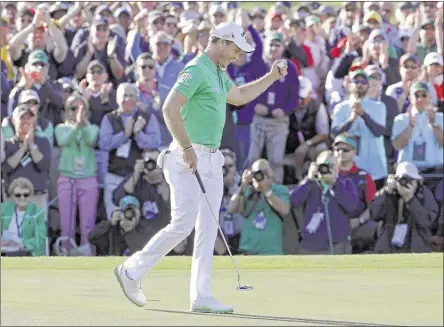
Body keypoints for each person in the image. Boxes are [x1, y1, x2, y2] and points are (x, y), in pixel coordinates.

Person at [114, 21, 288, 314]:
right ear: (220, 42)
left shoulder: (219, 73)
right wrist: (186, 148)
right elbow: (169, 109)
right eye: (234, 48)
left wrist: (271, 76)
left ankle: (201, 294)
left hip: (211, 158)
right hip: (186, 157)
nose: (237, 55)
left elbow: (241, 97)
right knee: (182, 225)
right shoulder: (196, 69)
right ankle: (131, 271)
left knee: (208, 227)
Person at [370, 161, 438, 253]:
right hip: (388, 248)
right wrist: (386, 192)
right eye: (403, 179)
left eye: (411, 179)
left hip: (416, 249)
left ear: (418, 181)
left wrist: (410, 199)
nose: (406, 183)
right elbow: (374, 215)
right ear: (396, 180)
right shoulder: (388, 193)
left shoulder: (424, 194)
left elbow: (426, 221)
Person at [227, 159, 290, 255]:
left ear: (270, 173)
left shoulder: (279, 190)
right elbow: (231, 208)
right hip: (247, 252)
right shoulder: (247, 190)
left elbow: (285, 209)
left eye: (262, 172)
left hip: (271, 252)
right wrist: (243, 185)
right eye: (255, 173)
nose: (258, 176)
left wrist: (266, 190)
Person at [1, 177, 46, 257]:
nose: (22, 198)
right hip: (4, 250)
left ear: (31, 195)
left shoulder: (37, 212)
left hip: (27, 252)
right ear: (12, 196)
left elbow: (39, 239)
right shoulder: (3, 209)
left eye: (26, 195)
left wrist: (20, 244)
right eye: (18, 195)